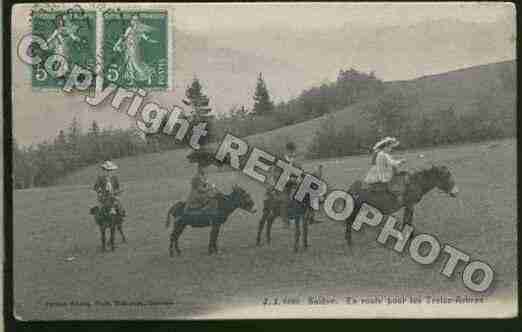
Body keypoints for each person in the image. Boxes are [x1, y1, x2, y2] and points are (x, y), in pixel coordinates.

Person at [363, 137, 406, 204]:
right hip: (383, 175)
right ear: (386, 147)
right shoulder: (383, 155)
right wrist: (401, 161)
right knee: (397, 184)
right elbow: (392, 163)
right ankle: (397, 199)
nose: (391, 150)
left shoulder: (380, 153)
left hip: (378, 174)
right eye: (390, 148)